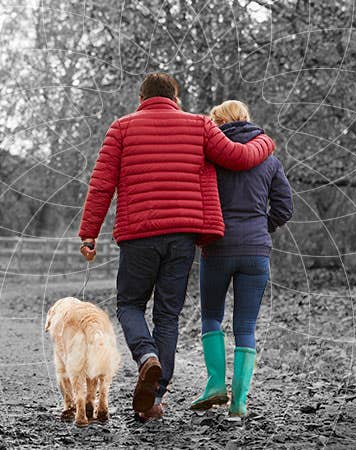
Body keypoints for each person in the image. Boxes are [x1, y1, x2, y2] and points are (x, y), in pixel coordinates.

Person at [77, 74, 276, 421]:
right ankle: (154, 398)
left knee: (129, 304)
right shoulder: (199, 126)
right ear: (176, 98)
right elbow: (241, 157)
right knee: (167, 315)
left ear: (141, 97)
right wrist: (266, 143)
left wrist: (89, 234)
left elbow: (101, 184)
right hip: (183, 235)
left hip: (138, 235)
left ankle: (145, 358)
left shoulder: (121, 129)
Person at [190, 100, 293, 418]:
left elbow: (197, 201)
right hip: (256, 251)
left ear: (217, 122)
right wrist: (263, 227)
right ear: (247, 119)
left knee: (211, 317)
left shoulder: (210, 159)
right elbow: (284, 208)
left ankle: (216, 384)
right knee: (246, 325)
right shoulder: (270, 161)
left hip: (218, 248)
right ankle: (239, 402)